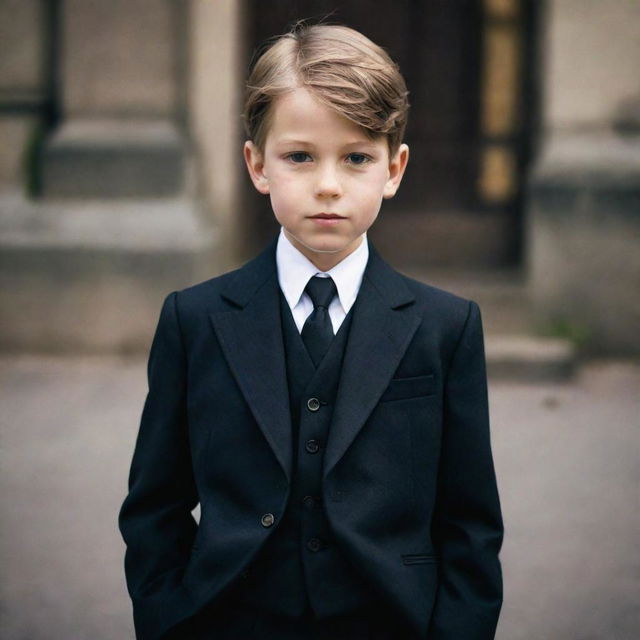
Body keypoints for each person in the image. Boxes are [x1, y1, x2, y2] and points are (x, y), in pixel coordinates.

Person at [119, 22, 503, 640]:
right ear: (257, 165)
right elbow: (154, 506)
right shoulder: (193, 320)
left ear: (395, 168)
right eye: (299, 156)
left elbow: (470, 522)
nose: (328, 184)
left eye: (356, 158)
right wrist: (169, 618)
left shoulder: (445, 326)